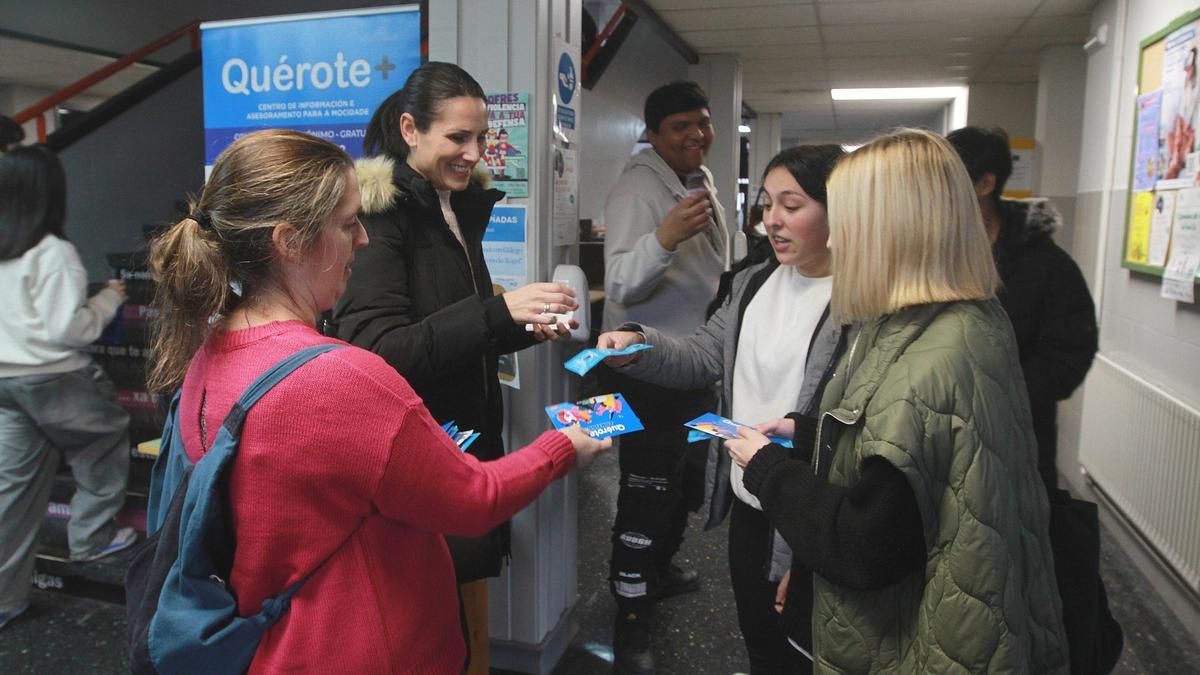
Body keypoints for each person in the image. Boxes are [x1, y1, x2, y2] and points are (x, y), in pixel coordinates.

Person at [146, 128, 609, 673]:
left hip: (264, 646)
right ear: (289, 241)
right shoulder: (340, 377)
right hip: (362, 649)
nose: (363, 239)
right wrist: (564, 447)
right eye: (347, 224)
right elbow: (475, 498)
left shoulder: (208, 355)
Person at [726, 129, 1070, 673]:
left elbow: (864, 544)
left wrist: (768, 470)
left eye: (850, 223)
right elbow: (920, 461)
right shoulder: (962, 318)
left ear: (896, 230)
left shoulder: (930, 357)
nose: (836, 242)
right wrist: (819, 436)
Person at [598, 145, 845, 674]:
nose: (772, 220)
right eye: (765, 204)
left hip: (810, 515)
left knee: (803, 655)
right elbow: (704, 354)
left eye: (792, 205)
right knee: (761, 645)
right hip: (749, 500)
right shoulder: (754, 283)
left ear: (839, 209)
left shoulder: (859, 302)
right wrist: (636, 346)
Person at [333, 62, 578, 587]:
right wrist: (497, 312)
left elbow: (453, 327)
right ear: (409, 130)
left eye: (482, 137)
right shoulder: (381, 218)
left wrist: (525, 323)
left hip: (459, 442)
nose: (473, 153)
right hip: (413, 461)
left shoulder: (453, 207)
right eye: (457, 137)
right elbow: (375, 353)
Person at [598, 79, 741, 675]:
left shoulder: (698, 178)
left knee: (688, 481)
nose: (696, 135)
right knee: (647, 491)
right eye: (680, 126)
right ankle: (630, 620)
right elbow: (625, 282)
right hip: (645, 370)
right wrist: (665, 237)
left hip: (696, 363)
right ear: (654, 134)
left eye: (702, 123)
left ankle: (661, 570)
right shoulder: (639, 185)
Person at [0, 145, 134, 630]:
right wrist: (107, 301)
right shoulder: (52, 252)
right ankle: (92, 539)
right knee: (105, 439)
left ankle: (4, 600)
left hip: (5, 383)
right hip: (54, 378)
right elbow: (66, 330)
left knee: (12, 491)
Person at [947, 126, 1098, 493]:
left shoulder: (1046, 264)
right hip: (943, 434)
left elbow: (1068, 355)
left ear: (985, 184)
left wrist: (998, 394)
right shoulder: (936, 257)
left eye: (950, 179)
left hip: (1017, 436)